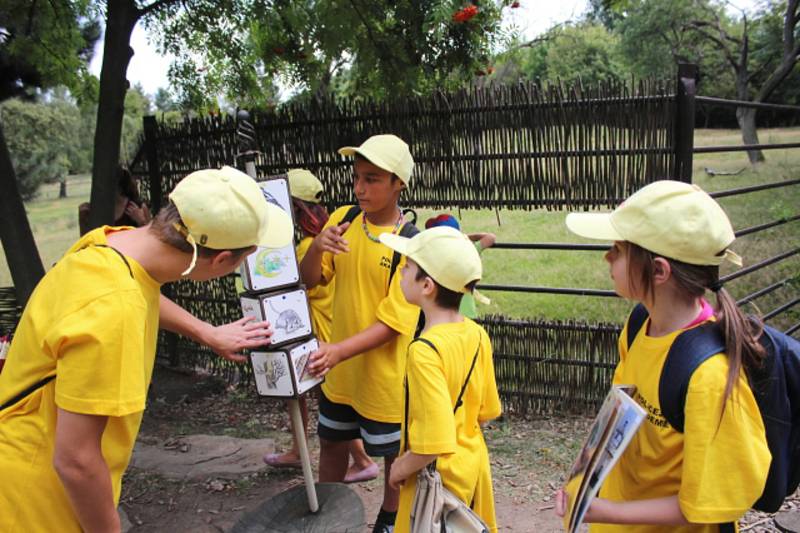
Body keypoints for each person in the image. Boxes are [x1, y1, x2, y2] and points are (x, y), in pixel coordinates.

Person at [0, 166, 293, 533]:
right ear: (222, 261)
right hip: (36, 504)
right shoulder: (114, 310)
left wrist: (206, 332)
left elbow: (141, 287)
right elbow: (76, 461)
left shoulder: (111, 244)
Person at [555, 180, 771, 532]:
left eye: (617, 249)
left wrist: (604, 510)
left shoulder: (709, 379)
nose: (607, 257)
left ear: (658, 271)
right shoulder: (640, 323)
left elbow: (701, 506)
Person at [300, 134, 420, 532]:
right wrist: (317, 246)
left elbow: (392, 324)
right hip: (341, 373)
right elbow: (311, 280)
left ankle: (388, 520)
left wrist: (337, 351)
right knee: (332, 443)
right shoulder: (343, 220)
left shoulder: (411, 245)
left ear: (398, 182)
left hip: (384, 377)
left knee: (392, 456)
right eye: (356, 178)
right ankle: (327, 519)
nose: (359, 188)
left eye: (372, 179)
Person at [381, 226, 502, 533]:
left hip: (437, 480)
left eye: (407, 268)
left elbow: (432, 443)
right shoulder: (477, 334)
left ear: (427, 286)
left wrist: (399, 469)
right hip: (473, 467)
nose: (401, 273)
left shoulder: (424, 351)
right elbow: (487, 412)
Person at [263, 168, 378, 483]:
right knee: (321, 403)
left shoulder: (308, 248)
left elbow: (304, 284)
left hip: (317, 336)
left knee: (323, 407)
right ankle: (302, 452)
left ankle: (361, 460)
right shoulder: (332, 236)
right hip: (328, 334)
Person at [424, 213, 495, 319]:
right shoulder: (468, 249)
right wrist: (463, 237)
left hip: (440, 315)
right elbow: (490, 237)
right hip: (466, 312)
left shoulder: (433, 254)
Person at [78, 166, 152, 235]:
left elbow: (151, 239)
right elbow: (86, 241)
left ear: (119, 187)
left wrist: (141, 221)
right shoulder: (96, 209)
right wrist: (83, 221)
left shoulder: (138, 207)